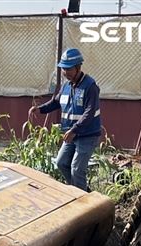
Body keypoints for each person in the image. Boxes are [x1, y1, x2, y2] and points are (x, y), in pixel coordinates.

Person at [35, 48, 102, 191]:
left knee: (77, 169)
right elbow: (55, 102)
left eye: (68, 69)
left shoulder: (90, 86)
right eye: (63, 69)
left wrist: (74, 130)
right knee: (61, 163)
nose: (65, 73)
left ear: (78, 67)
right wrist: (39, 109)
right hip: (71, 134)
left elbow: (89, 113)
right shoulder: (66, 86)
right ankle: (81, 191)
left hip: (87, 135)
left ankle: (82, 202)